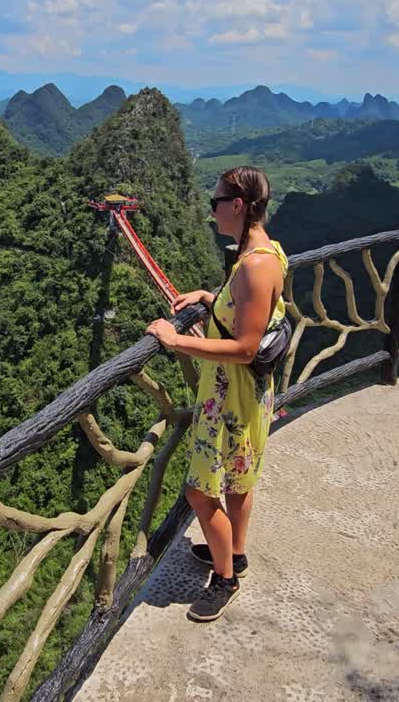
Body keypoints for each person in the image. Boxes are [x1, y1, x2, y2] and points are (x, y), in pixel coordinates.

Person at [145, 165, 287, 622]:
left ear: (239, 205)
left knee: (199, 494)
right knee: (238, 483)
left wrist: (175, 340)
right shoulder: (262, 253)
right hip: (243, 395)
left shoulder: (257, 266)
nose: (212, 211)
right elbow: (248, 312)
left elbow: (245, 347)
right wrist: (211, 298)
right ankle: (235, 554)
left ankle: (224, 580)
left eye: (216, 202)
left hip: (231, 397)